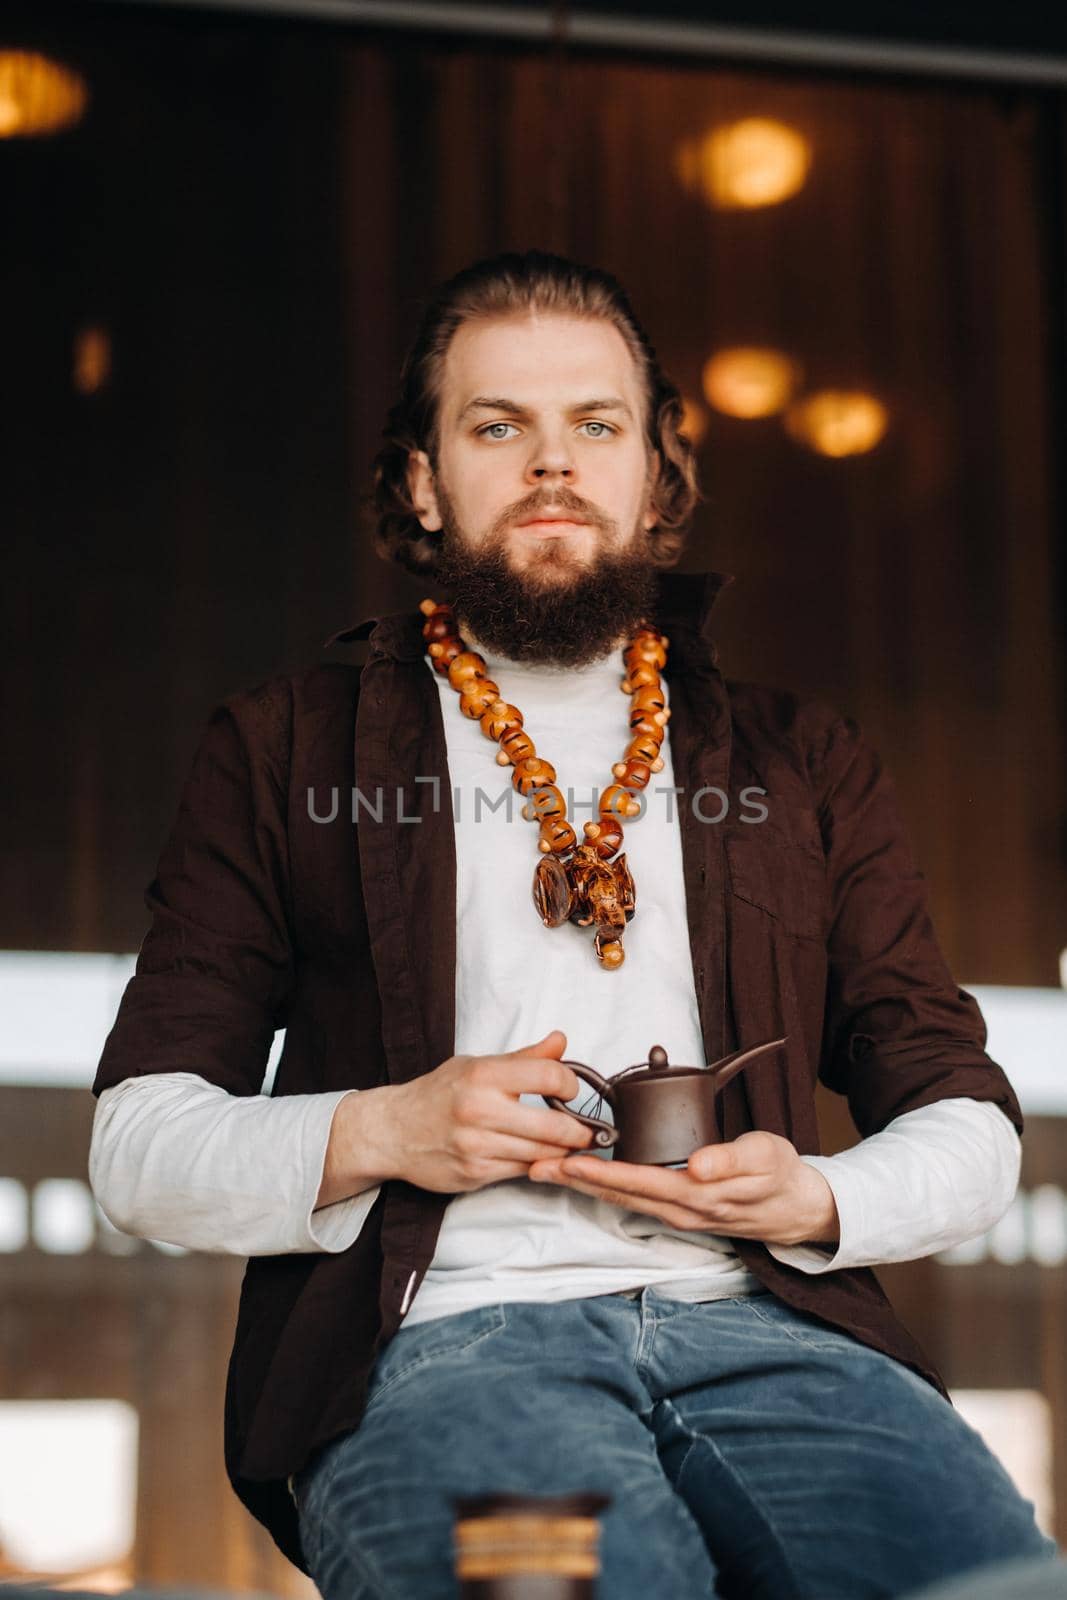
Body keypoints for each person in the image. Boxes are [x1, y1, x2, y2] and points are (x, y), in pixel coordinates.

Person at [89, 250, 1058, 1599]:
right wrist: (391, 1126)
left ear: (655, 473)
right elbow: (136, 1146)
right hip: (442, 1346)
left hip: (776, 1332)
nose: (554, 465)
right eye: (500, 427)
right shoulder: (280, 746)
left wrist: (822, 1193)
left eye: (595, 426)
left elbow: (969, 1121)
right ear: (425, 480)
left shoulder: (801, 759)